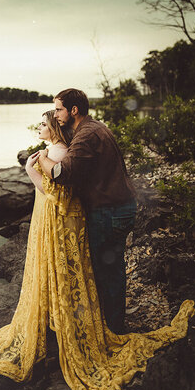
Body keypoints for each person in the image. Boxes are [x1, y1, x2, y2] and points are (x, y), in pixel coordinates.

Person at [0, 109, 195, 390]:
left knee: (63, 271)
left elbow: (58, 193)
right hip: (53, 219)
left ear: (56, 125)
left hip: (57, 221)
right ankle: (61, 318)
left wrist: (32, 175)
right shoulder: (55, 150)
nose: (39, 127)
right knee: (61, 272)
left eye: (44, 122)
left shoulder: (58, 152)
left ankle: (70, 324)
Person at [37, 88, 137, 334]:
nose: (56, 114)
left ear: (74, 110)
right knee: (110, 268)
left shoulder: (86, 135)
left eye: (59, 109)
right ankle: (112, 322)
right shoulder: (93, 128)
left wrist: (42, 159)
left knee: (106, 271)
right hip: (117, 207)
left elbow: (62, 174)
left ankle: (113, 330)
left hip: (110, 211)